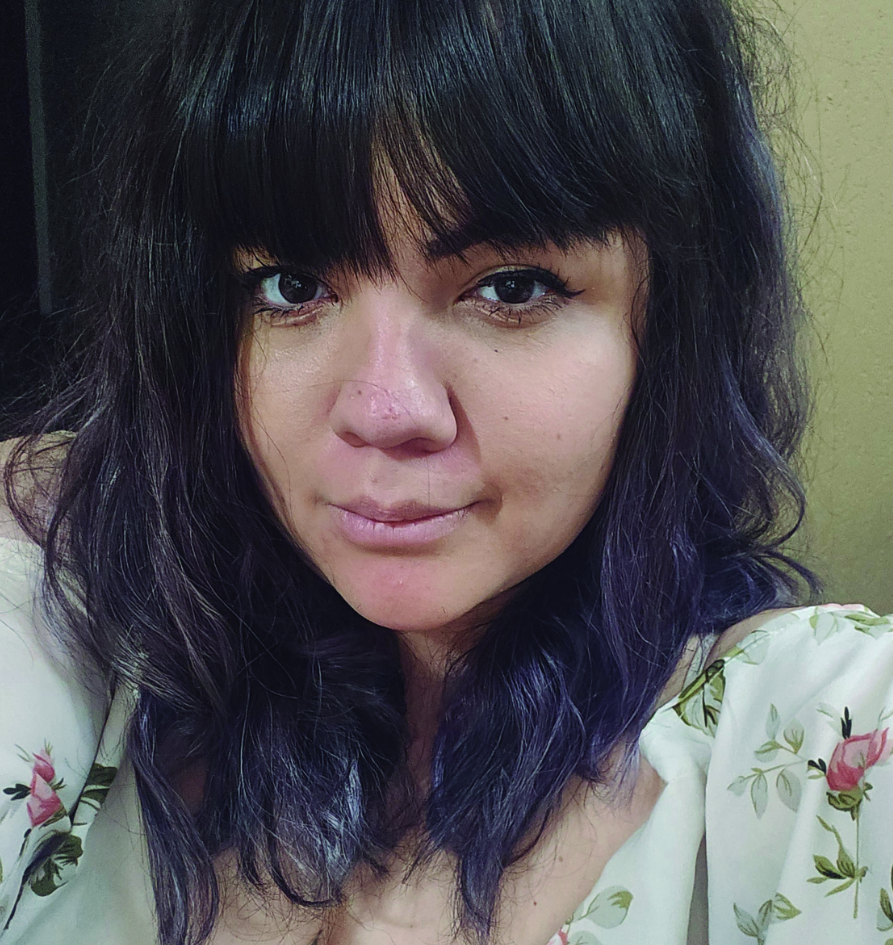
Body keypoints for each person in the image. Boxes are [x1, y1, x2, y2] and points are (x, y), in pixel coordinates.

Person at [1, 0, 891, 943]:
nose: (385, 409)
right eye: (292, 285)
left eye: (511, 287)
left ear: (667, 321)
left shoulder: (821, 745)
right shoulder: (86, 633)